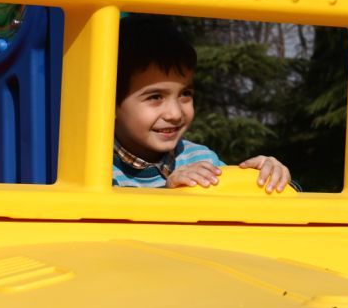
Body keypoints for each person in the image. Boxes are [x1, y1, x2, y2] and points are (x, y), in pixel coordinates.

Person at [112, 15, 292, 191]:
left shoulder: (202, 160)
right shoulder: (95, 169)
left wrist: (270, 180)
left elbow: (236, 200)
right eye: (155, 97)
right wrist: (167, 195)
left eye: (185, 94)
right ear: (109, 103)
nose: (175, 114)